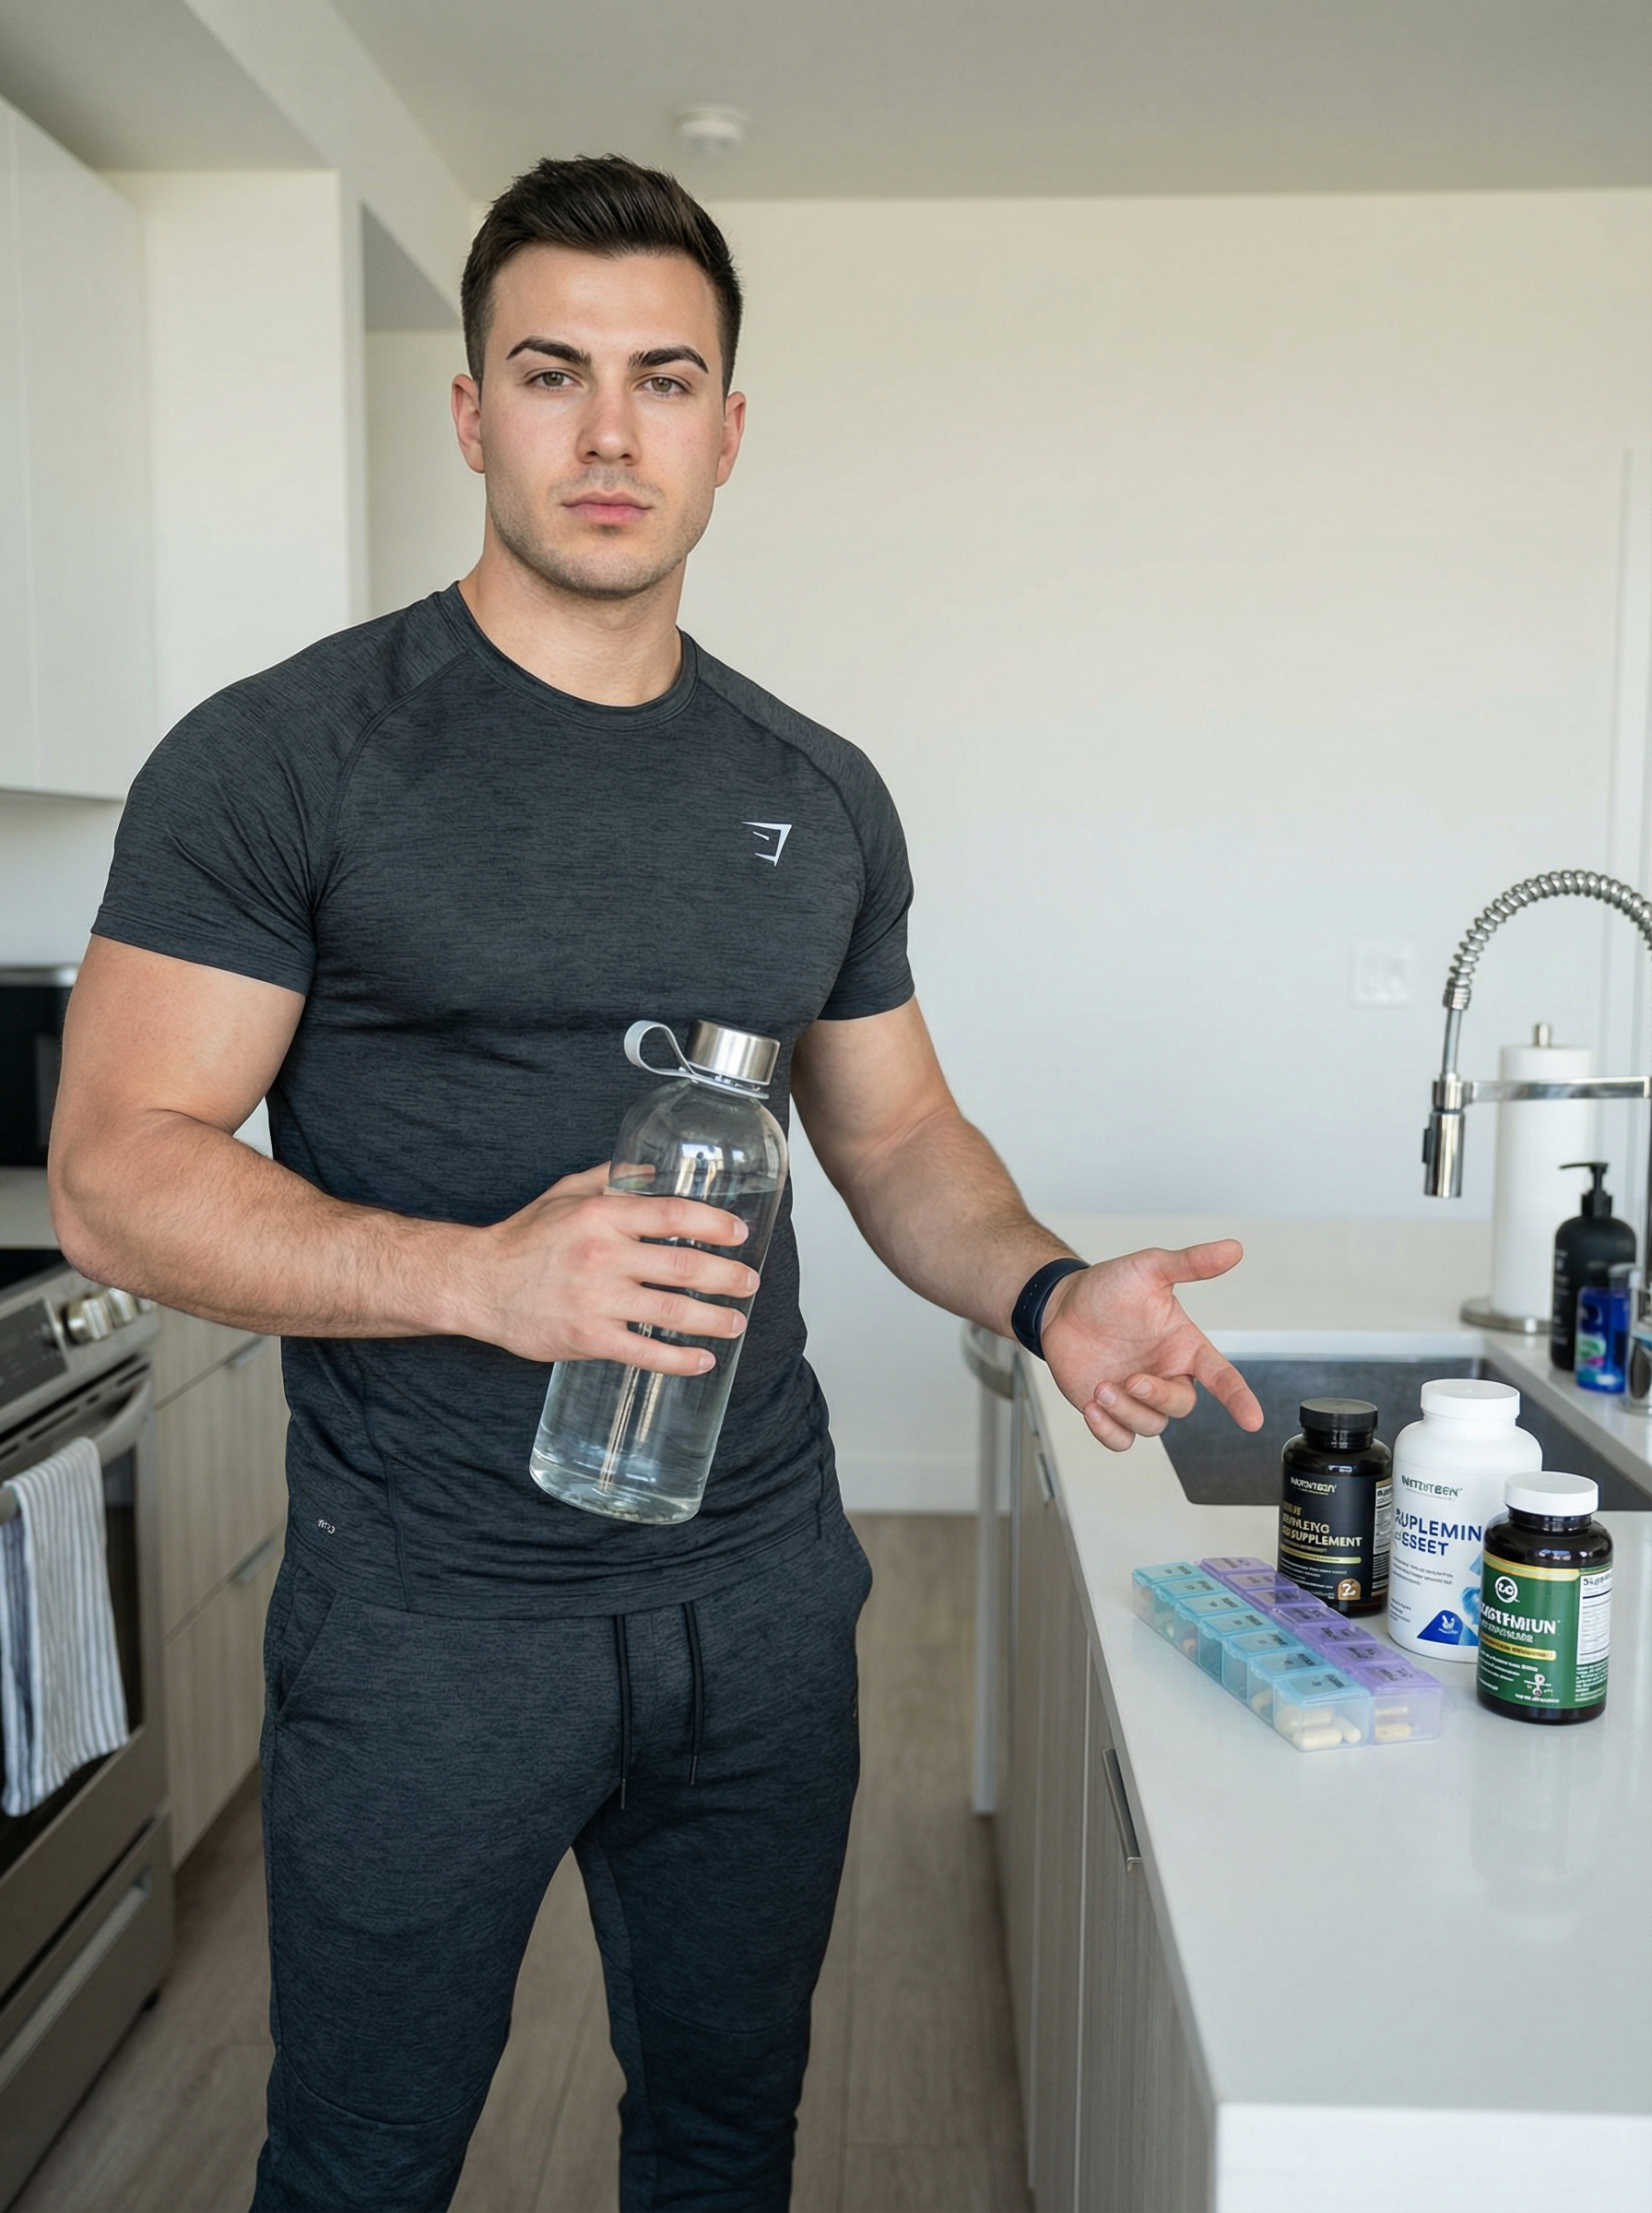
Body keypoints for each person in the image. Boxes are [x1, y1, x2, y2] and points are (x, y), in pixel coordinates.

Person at [50, 155, 1262, 2213]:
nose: (609, 433)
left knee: (722, 2140)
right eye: (553, 373)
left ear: (728, 431)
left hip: (756, 1594)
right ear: (471, 414)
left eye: (663, 380)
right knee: (361, 2166)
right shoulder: (285, 759)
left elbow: (895, 1135)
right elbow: (112, 1178)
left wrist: (1051, 1294)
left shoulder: (814, 790)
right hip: (430, 1615)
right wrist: (478, 1279)